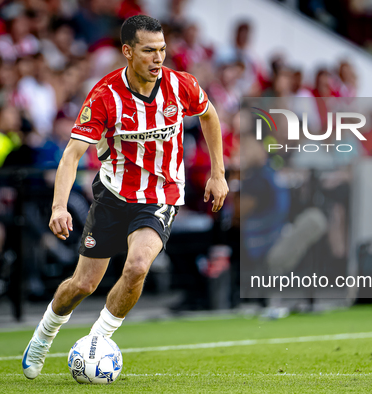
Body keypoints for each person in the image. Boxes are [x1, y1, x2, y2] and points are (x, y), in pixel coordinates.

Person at [21, 15, 228, 379]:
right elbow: (71, 154)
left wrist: (218, 173)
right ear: (128, 52)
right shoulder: (104, 96)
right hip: (114, 196)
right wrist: (58, 206)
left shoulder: (181, 85)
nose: (159, 58)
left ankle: (97, 341)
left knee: (136, 266)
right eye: (149, 51)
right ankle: (42, 337)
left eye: (162, 50)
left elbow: (210, 116)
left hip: (161, 194)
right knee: (83, 284)